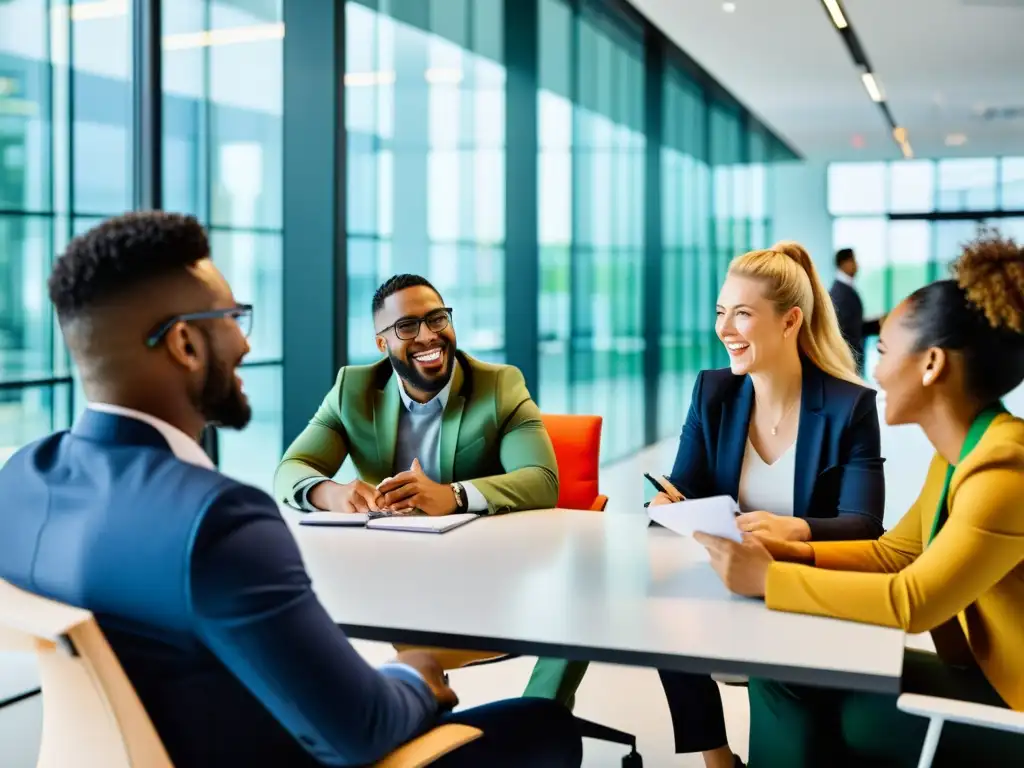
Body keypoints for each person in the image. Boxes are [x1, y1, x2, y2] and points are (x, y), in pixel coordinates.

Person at [0, 213, 583, 768]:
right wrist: (415, 669)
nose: (246, 344)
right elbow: (361, 728)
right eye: (232, 317)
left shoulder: (21, 481)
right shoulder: (220, 521)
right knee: (541, 724)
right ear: (185, 344)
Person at [697, 232, 1024, 766]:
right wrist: (792, 547)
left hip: (1007, 710)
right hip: (980, 680)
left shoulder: (1003, 468)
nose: (873, 369)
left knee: (825, 703)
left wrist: (767, 579)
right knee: (777, 667)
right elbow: (896, 553)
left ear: (932, 363)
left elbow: (912, 602)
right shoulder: (960, 453)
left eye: (886, 350)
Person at [274, 274, 574, 700]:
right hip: (392, 578)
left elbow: (542, 480)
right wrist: (332, 493)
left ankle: (533, 722)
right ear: (382, 344)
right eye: (407, 327)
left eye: (437, 319)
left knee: (573, 612)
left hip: (485, 576)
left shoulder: (499, 385)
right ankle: (415, 702)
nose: (428, 335)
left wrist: (452, 496)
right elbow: (291, 468)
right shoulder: (353, 389)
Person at [650, 242, 886, 768]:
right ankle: (716, 756)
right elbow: (682, 487)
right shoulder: (713, 392)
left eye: (742, 314)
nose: (724, 328)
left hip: (801, 590)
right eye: (720, 312)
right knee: (661, 611)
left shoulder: (850, 407)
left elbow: (866, 526)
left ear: (789, 321)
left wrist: (794, 529)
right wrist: (668, 503)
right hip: (725, 586)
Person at [830, 247, 884, 373]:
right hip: (847, 359)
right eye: (853, 260)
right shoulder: (840, 293)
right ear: (844, 263)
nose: (856, 265)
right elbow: (845, 330)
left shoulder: (844, 289)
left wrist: (876, 324)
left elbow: (853, 324)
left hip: (850, 359)